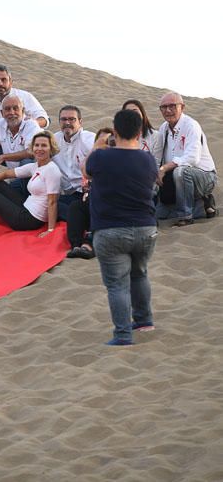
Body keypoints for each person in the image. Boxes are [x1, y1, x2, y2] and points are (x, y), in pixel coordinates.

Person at [85, 110, 158, 346]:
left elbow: (86, 170)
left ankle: (123, 334)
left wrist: (98, 144)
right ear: (139, 132)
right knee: (140, 274)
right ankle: (144, 320)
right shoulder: (148, 159)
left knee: (117, 284)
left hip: (110, 229)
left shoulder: (101, 158)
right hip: (146, 228)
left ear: (114, 132)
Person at [0, 130, 61, 236]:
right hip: (26, 207)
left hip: (29, 220)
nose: (39, 149)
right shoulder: (36, 166)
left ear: (51, 149)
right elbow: (5, 174)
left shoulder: (51, 170)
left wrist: (50, 230)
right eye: (36, 145)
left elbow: (52, 202)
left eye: (44, 145)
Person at [154, 92, 218, 226]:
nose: (168, 110)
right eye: (163, 107)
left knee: (181, 172)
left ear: (182, 107)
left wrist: (164, 168)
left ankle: (186, 216)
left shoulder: (191, 125)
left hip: (204, 177)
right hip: (177, 181)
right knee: (160, 214)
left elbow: (192, 158)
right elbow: (157, 156)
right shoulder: (163, 129)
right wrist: (156, 173)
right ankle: (202, 205)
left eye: (172, 106)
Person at [66, 127, 113, 260]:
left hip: (114, 208)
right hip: (94, 203)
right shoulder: (95, 160)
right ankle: (76, 244)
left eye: (107, 140)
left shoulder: (119, 158)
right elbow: (85, 171)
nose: (104, 144)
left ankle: (90, 245)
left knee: (96, 201)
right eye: (100, 140)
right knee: (75, 207)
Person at [53, 105, 95, 221]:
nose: (67, 122)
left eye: (72, 119)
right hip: (69, 194)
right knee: (48, 205)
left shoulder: (89, 140)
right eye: (63, 119)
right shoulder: (54, 140)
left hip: (89, 194)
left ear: (80, 122)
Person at [0, 65, 49, 133]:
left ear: (11, 82)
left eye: (4, 80)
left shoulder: (24, 96)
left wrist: (31, 124)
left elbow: (44, 120)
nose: (0, 84)